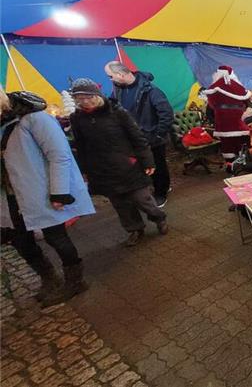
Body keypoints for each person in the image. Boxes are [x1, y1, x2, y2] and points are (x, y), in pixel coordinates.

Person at [0, 89, 94, 306]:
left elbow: (59, 155)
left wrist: (59, 191)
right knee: (20, 240)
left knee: (56, 237)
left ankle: (75, 281)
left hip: (40, 191)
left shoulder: (34, 119)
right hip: (11, 195)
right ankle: (49, 279)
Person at [69, 78, 168, 247]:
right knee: (121, 204)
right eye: (80, 98)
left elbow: (137, 138)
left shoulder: (117, 113)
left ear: (97, 95)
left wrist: (147, 162)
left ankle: (159, 218)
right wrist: (84, 169)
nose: (85, 101)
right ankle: (134, 229)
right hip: (102, 170)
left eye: (88, 97)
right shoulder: (77, 119)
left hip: (128, 166)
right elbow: (81, 146)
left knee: (142, 199)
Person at [105, 61, 174, 207]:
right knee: (144, 166)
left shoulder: (151, 90)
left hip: (153, 137)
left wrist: (158, 135)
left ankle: (162, 192)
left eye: (111, 76)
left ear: (120, 74)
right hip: (134, 138)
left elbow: (166, 114)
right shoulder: (118, 90)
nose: (110, 79)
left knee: (158, 166)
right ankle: (152, 189)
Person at [201, 65, 251, 164]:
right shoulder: (238, 86)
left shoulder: (214, 87)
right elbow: (246, 101)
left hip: (222, 120)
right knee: (241, 140)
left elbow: (211, 105)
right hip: (238, 119)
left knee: (227, 143)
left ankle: (230, 164)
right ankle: (242, 162)